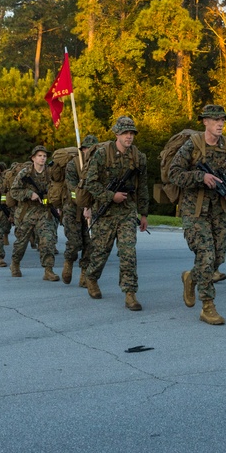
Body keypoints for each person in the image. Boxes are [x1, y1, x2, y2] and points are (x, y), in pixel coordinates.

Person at [169, 104, 226, 325]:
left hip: (218, 209)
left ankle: (191, 277)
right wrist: (200, 177)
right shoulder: (192, 145)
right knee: (207, 256)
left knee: (219, 257)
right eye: (216, 120)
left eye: (223, 120)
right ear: (205, 122)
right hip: (195, 210)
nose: (220, 123)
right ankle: (207, 307)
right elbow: (174, 174)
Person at [80, 117, 149, 310]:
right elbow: (90, 183)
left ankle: (130, 293)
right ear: (116, 134)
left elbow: (142, 187)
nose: (129, 136)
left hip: (127, 212)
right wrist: (111, 196)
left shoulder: (138, 157)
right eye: (125, 133)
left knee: (128, 252)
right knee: (101, 252)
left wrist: (144, 214)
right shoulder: (102, 154)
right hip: (106, 211)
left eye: (132, 133)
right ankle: (91, 277)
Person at [9, 146, 60, 280]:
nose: (42, 158)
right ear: (33, 158)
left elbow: (57, 190)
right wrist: (28, 193)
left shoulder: (50, 173)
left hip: (45, 212)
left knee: (47, 240)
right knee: (21, 242)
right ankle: (15, 264)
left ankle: (48, 270)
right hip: (27, 212)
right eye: (39, 156)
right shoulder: (25, 173)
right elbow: (13, 191)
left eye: (44, 156)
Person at [61, 134, 98, 285]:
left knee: (90, 243)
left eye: (92, 148)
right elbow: (72, 189)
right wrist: (84, 205)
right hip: (73, 209)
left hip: (93, 210)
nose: (89, 151)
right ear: (82, 149)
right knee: (75, 242)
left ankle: (84, 274)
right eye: (86, 148)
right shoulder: (73, 165)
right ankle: (68, 262)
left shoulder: (100, 164)